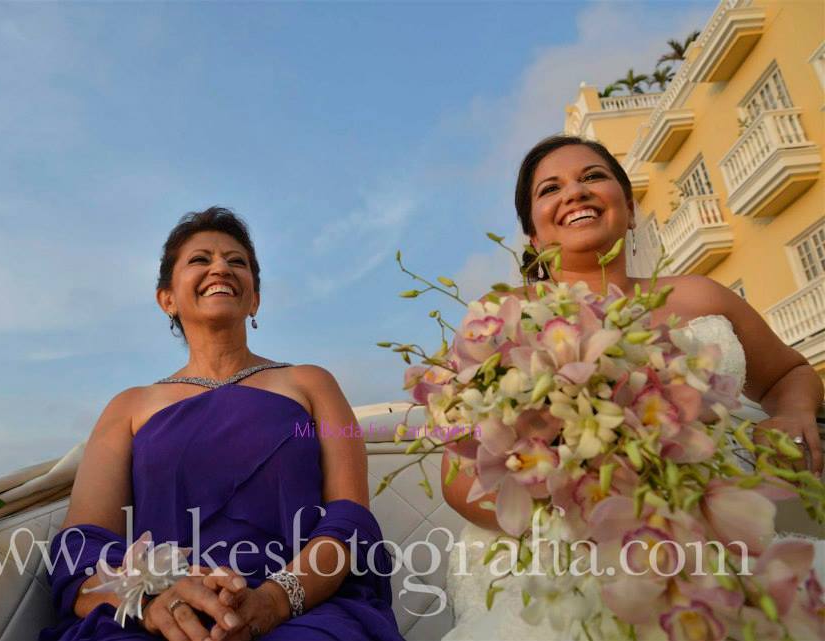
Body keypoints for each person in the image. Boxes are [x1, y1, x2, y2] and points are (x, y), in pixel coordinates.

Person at [439, 135, 825, 640]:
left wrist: (794, 413)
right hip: (567, 559)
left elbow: (788, 375)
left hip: (718, 539)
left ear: (631, 209)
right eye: (550, 188)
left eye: (593, 177)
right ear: (532, 236)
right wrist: (589, 521)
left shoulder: (701, 296)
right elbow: (458, 479)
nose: (575, 192)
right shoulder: (502, 317)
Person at [41, 207, 405, 641]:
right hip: (159, 620)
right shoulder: (129, 407)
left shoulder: (312, 384)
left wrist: (273, 601)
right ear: (167, 299)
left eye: (237, 262)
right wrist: (154, 607)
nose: (220, 268)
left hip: (301, 609)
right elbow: (84, 547)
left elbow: (349, 522)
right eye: (200, 259)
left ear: (255, 299)